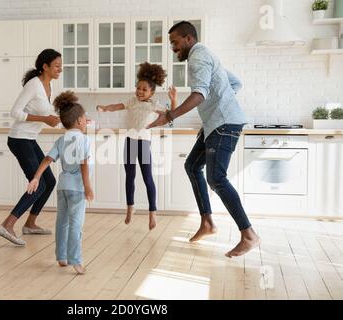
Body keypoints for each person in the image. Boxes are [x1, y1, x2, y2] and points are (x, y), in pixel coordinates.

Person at [148, 21, 261, 258]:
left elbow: (199, 94)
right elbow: (235, 83)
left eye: (175, 42)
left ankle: (249, 234)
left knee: (216, 178)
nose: (172, 48)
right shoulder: (205, 54)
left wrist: (169, 115)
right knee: (192, 165)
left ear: (189, 39)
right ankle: (207, 222)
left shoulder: (198, 58)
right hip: (215, 124)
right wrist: (219, 104)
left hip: (223, 124)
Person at [96, 62, 176, 230]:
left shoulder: (154, 105)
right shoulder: (131, 101)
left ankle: (152, 212)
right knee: (129, 176)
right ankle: (130, 207)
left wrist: (173, 100)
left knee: (148, 178)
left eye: (144, 89)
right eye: (138, 88)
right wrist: (105, 108)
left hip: (144, 144)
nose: (140, 91)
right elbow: (117, 106)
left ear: (151, 92)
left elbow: (171, 115)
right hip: (130, 142)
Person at [0, 49, 62, 246]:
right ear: (45, 66)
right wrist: (44, 119)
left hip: (30, 139)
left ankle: (30, 224)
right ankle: (7, 224)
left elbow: (48, 115)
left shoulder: (49, 87)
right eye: (57, 66)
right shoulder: (34, 85)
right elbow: (14, 112)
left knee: (49, 181)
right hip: (19, 139)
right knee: (38, 183)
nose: (60, 69)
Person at [27, 91, 93, 275]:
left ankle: (61, 257)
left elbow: (47, 160)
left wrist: (36, 177)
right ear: (80, 120)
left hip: (62, 187)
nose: (87, 121)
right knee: (76, 225)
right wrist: (87, 186)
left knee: (62, 222)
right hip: (77, 188)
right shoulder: (84, 140)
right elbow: (84, 164)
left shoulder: (61, 139)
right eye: (85, 118)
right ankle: (76, 261)